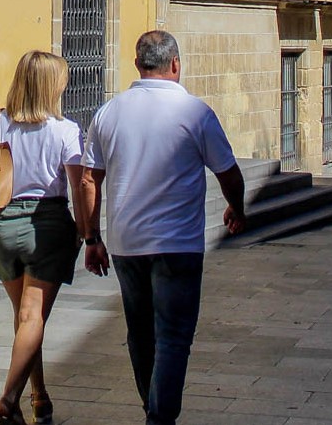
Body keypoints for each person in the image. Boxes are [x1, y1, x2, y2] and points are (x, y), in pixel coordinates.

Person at [79, 31, 246, 425]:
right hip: (178, 245)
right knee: (173, 336)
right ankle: (160, 416)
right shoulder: (196, 112)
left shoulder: (109, 112)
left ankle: (151, 406)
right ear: (176, 64)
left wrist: (92, 238)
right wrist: (236, 209)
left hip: (126, 243)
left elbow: (89, 180)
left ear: (138, 64)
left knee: (140, 334)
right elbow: (229, 172)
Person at [0, 51, 84, 425]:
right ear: (52, 86)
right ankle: (7, 401)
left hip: (1, 225)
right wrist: (87, 231)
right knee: (33, 317)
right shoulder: (65, 130)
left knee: (25, 319)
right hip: (46, 225)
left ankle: (40, 398)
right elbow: (79, 186)